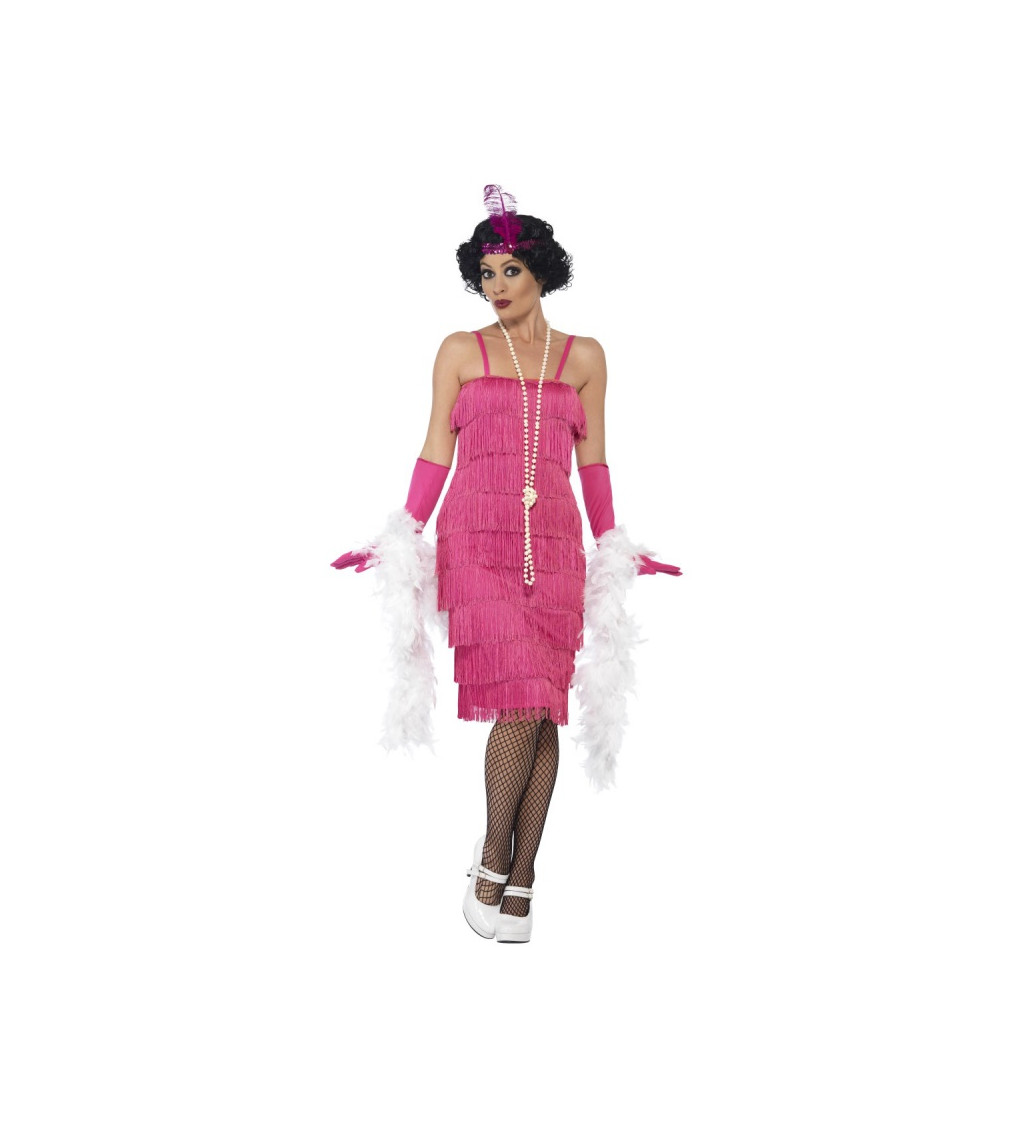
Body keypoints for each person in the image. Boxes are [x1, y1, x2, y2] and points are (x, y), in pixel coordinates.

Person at [332, 185, 680, 943]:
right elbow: (435, 449)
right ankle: (494, 861)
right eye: (485, 273)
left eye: (510, 271)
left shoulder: (585, 357)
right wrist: (401, 532)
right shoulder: (461, 351)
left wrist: (614, 545)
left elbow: (593, 463)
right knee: (522, 699)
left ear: (541, 272)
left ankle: (521, 885)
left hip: (553, 547)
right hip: (476, 543)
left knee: (544, 706)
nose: (495, 286)